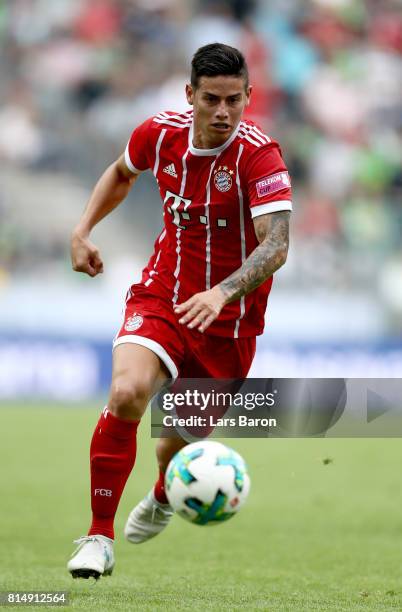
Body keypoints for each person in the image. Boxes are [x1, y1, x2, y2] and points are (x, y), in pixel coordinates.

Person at [67, 42, 291, 579]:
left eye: (234, 100)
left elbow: (277, 245)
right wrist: (82, 230)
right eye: (211, 99)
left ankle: (166, 491)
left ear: (248, 96)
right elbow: (122, 173)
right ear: (189, 94)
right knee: (126, 393)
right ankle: (98, 536)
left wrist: (222, 292)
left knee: (176, 445)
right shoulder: (160, 133)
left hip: (228, 322)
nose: (223, 112)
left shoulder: (260, 155)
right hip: (163, 295)